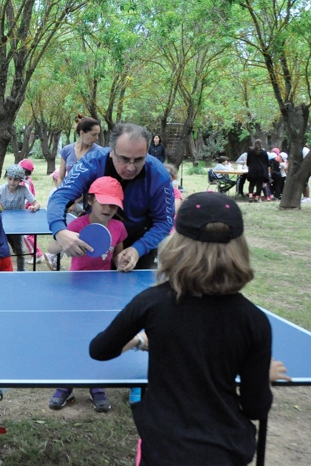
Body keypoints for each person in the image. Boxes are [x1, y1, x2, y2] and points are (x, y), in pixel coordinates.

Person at [89, 192, 291, 465]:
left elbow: (100, 350)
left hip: (163, 447)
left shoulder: (152, 303)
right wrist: (262, 377)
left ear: (176, 243)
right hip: (225, 451)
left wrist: (138, 340)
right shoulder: (253, 320)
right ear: (240, 248)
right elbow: (256, 407)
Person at [47, 176, 128, 413]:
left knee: (99, 339)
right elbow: (51, 247)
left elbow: (116, 257)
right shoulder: (77, 226)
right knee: (72, 340)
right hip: (75, 292)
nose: (108, 208)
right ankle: (66, 385)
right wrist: (64, 242)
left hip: (103, 294)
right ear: (90, 199)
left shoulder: (118, 227)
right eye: (103, 202)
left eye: (114, 204)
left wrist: (122, 260)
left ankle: (97, 386)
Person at [47, 123, 174, 272]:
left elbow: (164, 222)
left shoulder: (159, 175)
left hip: (141, 241)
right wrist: (59, 231)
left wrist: (138, 249)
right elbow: (60, 197)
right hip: (96, 237)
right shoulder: (91, 163)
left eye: (139, 159)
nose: (131, 167)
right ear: (112, 151)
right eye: (124, 159)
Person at [0, 164, 41, 271]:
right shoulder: (1, 189)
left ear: (20, 180)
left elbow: (37, 204)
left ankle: (21, 271)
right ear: (7, 177)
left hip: (18, 226)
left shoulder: (23, 190)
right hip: (2, 226)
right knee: (0, 251)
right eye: (10, 179)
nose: (12, 182)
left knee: (20, 251)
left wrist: (34, 207)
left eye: (16, 179)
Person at [56, 116, 101, 187]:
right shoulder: (66, 150)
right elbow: (60, 178)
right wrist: (61, 195)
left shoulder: (99, 152)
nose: (96, 138)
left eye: (98, 134)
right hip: (69, 195)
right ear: (82, 133)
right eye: (94, 134)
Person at [19, 159, 44, 265]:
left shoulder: (26, 184)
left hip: (27, 212)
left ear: (24, 170)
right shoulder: (24, 181)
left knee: (27, 236)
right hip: (26, 212)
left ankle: (37, 255)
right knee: (28, 235)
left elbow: (26, 199)